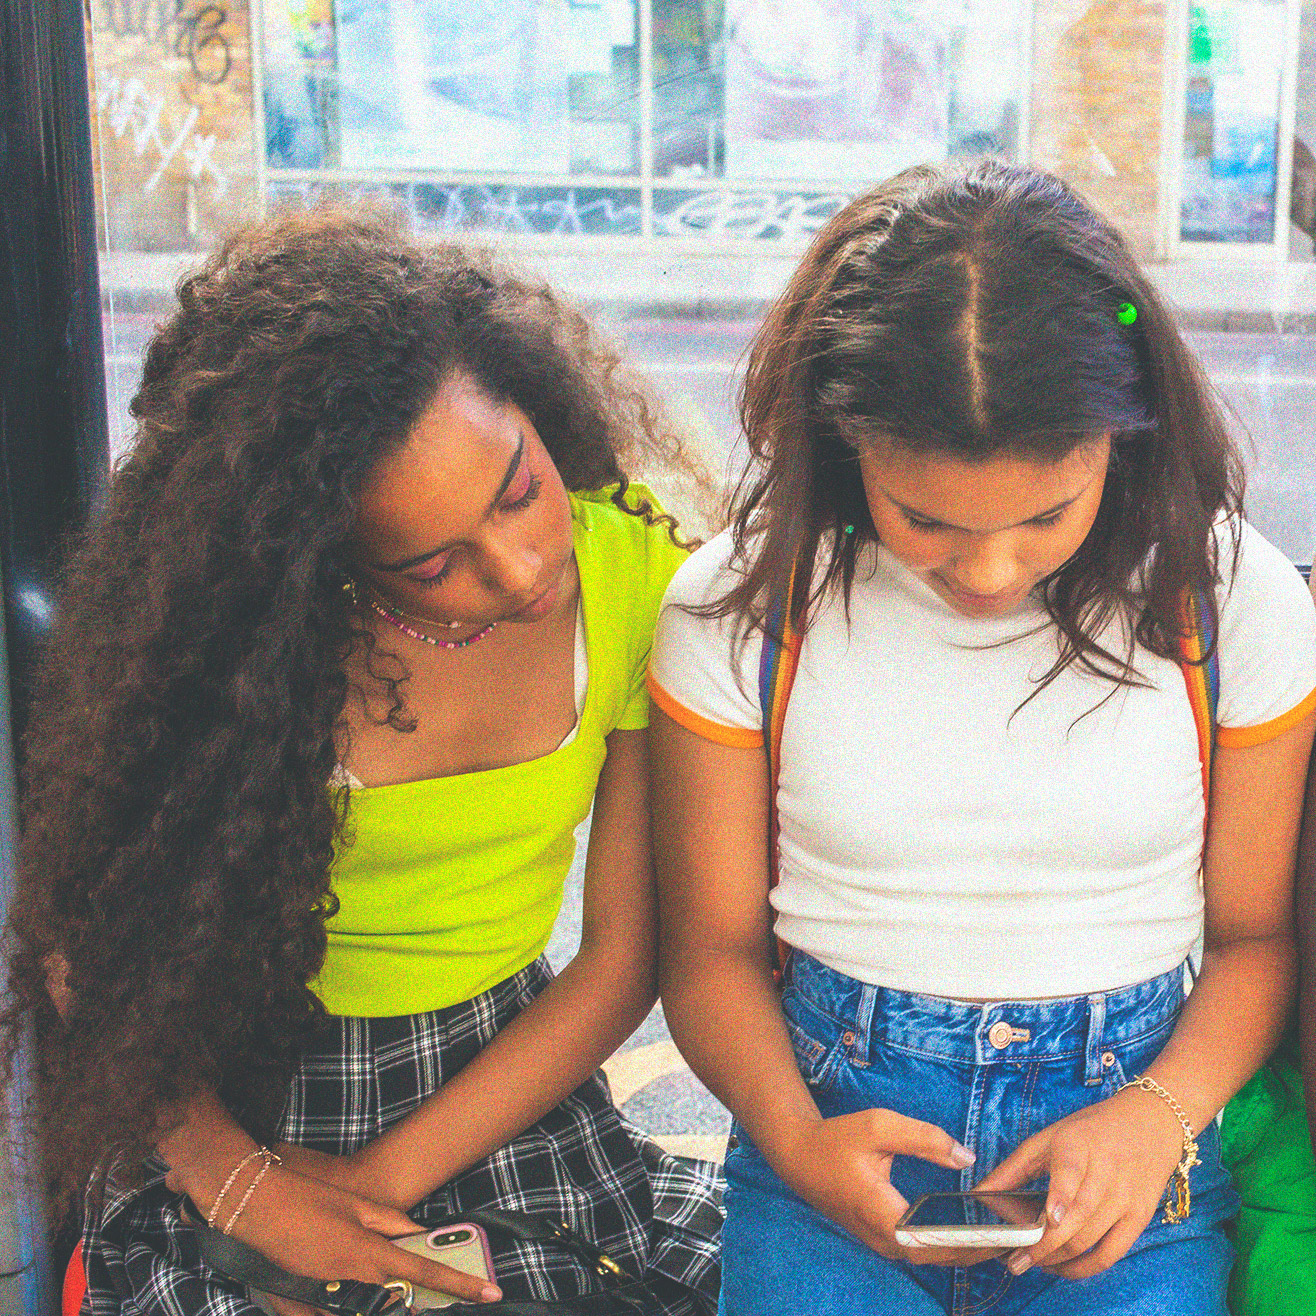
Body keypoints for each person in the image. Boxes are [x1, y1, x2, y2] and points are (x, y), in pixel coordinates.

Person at [1, 212, 721, 1314]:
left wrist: (370, 1196)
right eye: (433, 562)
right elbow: (81, 941)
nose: (524, 566)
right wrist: (239, 1183)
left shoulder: (635, 580)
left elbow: (620, 964)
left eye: (519, 487)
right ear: (322, 557)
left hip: (505, 1075)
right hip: (241, 1094)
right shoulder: (245, 647)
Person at [647, 160, 1316, 1315]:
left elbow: (1254, 941)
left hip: (1134, 1170)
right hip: (821, 1158)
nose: (990, 569)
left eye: (1046, 514)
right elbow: (705, 955)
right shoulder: (737, 608)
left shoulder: (1230, 598)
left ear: (1127, 430)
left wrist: (1151, 1120)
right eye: (926, 520)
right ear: (839, 434)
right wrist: (796, 1140)